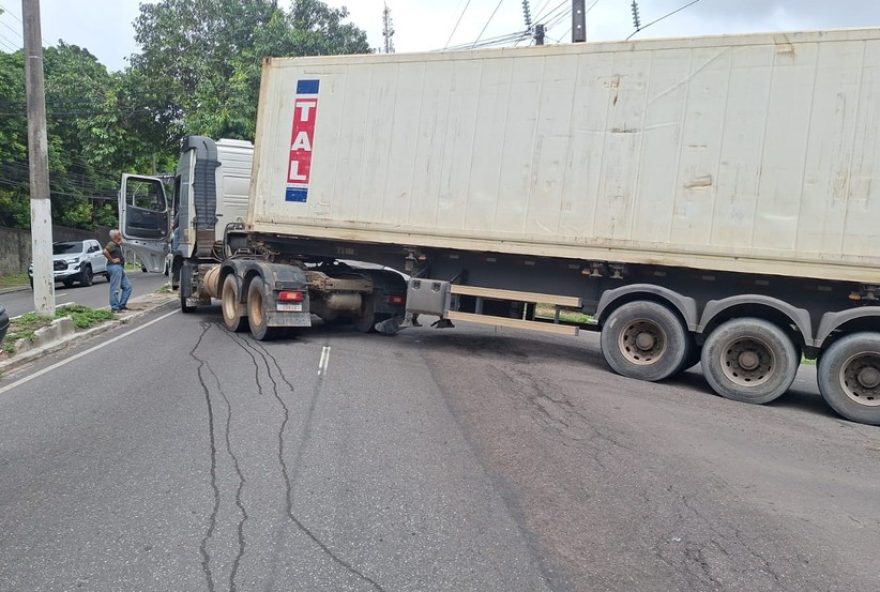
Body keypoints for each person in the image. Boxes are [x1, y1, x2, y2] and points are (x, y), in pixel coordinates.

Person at [103, 229, 132, 312]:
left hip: (119, 268)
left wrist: (119, 243)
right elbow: (105, 251)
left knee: (128, 286)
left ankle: (122, 305)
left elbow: (123, 242)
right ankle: (115, 308)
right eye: (119, 234)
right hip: (114, 267)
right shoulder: (111, 244)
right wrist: (112, 260)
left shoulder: (116, 244)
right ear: (115, 236)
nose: (121, 235)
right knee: (115, 288)